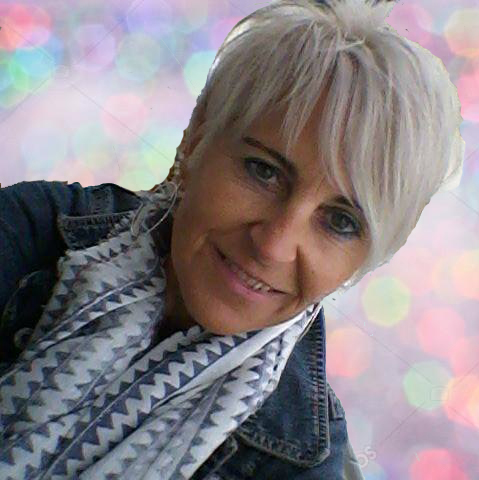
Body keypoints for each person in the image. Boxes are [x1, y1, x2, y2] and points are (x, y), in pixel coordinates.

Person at [0, 0, 464, 478]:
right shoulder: (33, 231)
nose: (274, 245)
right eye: (263, 171)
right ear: (197, 137)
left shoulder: (303, 465)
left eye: (340, 222)